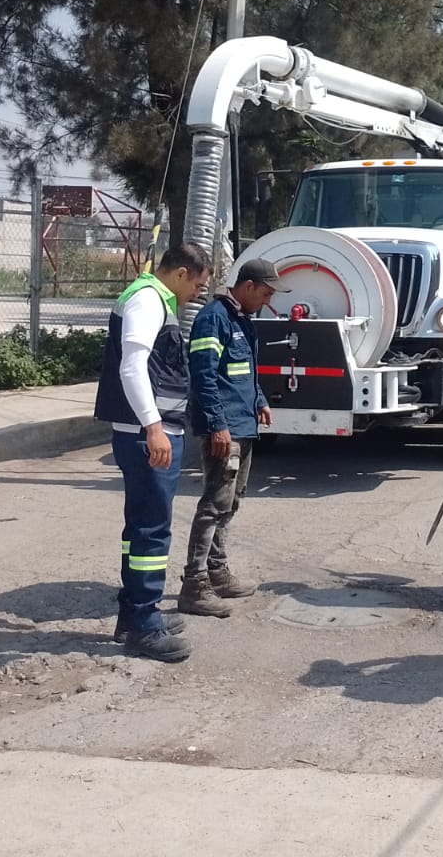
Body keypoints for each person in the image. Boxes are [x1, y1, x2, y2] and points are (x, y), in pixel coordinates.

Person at [94, 242, 211, 663]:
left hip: (148, 430)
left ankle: (135, 613)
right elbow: (133, 365)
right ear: (180, 273)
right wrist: (154, 426)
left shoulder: (152, 296)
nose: (199, 291)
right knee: (151, 531)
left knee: (141, 528)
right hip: (147, 434)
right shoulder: (148, 301)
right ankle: (144, 625)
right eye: (198, 283)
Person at [179, 258, 287, 617]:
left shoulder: (241, 320)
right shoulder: (213, 318)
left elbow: (244, 371)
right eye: (266, 293)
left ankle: (218, 573)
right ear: (249, 286)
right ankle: (194, 586)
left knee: (231, 501)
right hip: (225, 427)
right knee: (214, 504)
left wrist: (259, 399)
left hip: (243, 423)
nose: (268, 301)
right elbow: (203, 374)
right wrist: (216, 424)